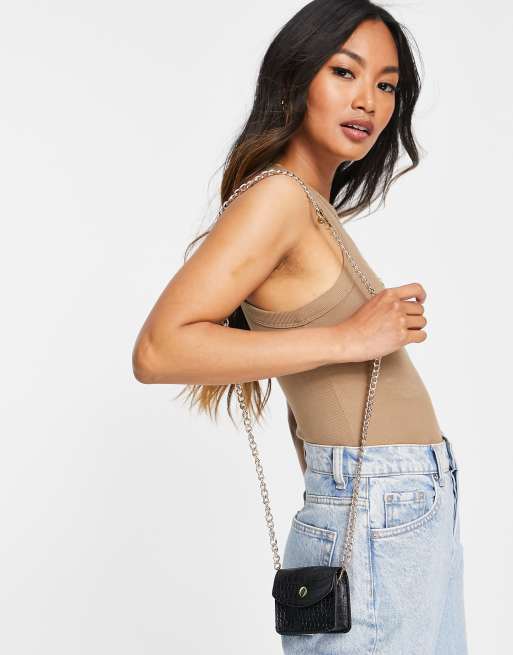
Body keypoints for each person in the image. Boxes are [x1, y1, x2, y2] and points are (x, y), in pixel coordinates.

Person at [132, 1, 468, 652]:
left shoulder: (309, 203)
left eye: (386, 85)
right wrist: (350, 338)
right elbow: (158, 349)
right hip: (379, 506)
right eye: (344, 72)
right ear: (295, 77)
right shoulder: (278, 197)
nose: (367, 100)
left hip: (402, 503)